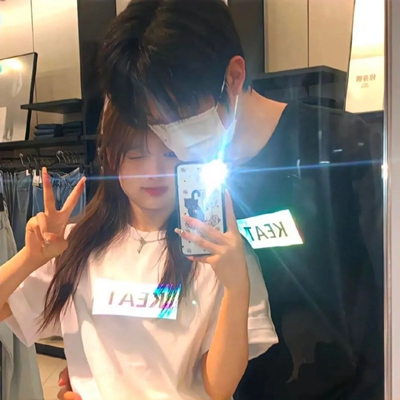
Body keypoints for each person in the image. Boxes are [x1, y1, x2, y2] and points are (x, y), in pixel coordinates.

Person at [53, 1, 381, 400]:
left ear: (234, 76)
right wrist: (95, 373)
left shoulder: (341, 149)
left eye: (178, 114)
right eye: (154, 122)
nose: (170, 136)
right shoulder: (180, 178)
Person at [0, 103, 277, 400]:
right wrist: (30, 259)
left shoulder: (222, 253)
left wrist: (237, 287)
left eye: (170, 154)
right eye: (136, 155)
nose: (154, 172)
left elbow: (220, 387)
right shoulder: (76, 244)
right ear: (112, 158)